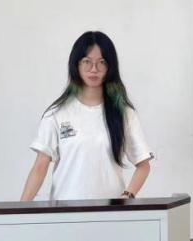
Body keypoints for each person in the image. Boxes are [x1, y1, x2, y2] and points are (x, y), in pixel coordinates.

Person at [20, 31, 153, 201]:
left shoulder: (124, 113)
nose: (94, 69)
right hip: (65, 213)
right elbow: (40, 167)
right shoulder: (56, 113)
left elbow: (143, 166)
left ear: (110, 66)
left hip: (111, 213)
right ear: (76, 64)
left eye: (102, 62)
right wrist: (20, 210)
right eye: (87, 61)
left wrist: (126, 197)